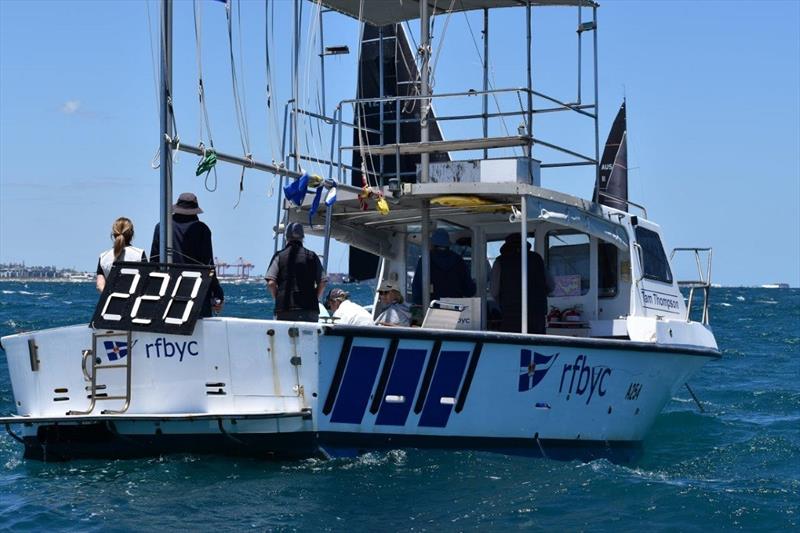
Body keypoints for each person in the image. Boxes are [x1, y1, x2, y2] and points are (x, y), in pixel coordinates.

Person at [150, 192, 224, 317]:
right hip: (196, 290)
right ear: (195, 211)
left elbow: (154, 261)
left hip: (167, 289)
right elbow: (207, 264)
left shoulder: (161, 227)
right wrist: (217, 292)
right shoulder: (202, 229)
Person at [266, 222, 327, 322]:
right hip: (309, 310)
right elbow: (322, 282)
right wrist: (314, 298)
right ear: (303, 238)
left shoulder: (279, 256)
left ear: (286, 237)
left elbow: (271, 283)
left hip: (285, 309)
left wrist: (278, 298)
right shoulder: (313, 256)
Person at [490, 233, 550, 334]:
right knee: (536, 345)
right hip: (537, 316)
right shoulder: (537, 259)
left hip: (510, 316)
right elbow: (551, 285)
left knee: (512, 346)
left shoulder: (500, 261)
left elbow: (494, 291)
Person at [411, 228, 476, 305]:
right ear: (448, 244)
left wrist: (418, 303)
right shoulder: (458, 260)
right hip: (455, 309)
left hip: (433, 307)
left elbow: (417, 289)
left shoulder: (425, 260)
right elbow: (469, 291)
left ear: (433, 244)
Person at [96, 217, 147, 292]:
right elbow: (146, 280)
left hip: (111, 301)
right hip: (133, 301)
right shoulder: (139, 254)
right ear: (132, 234)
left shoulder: (103, 256)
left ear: (113, 234)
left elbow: (99, 285)